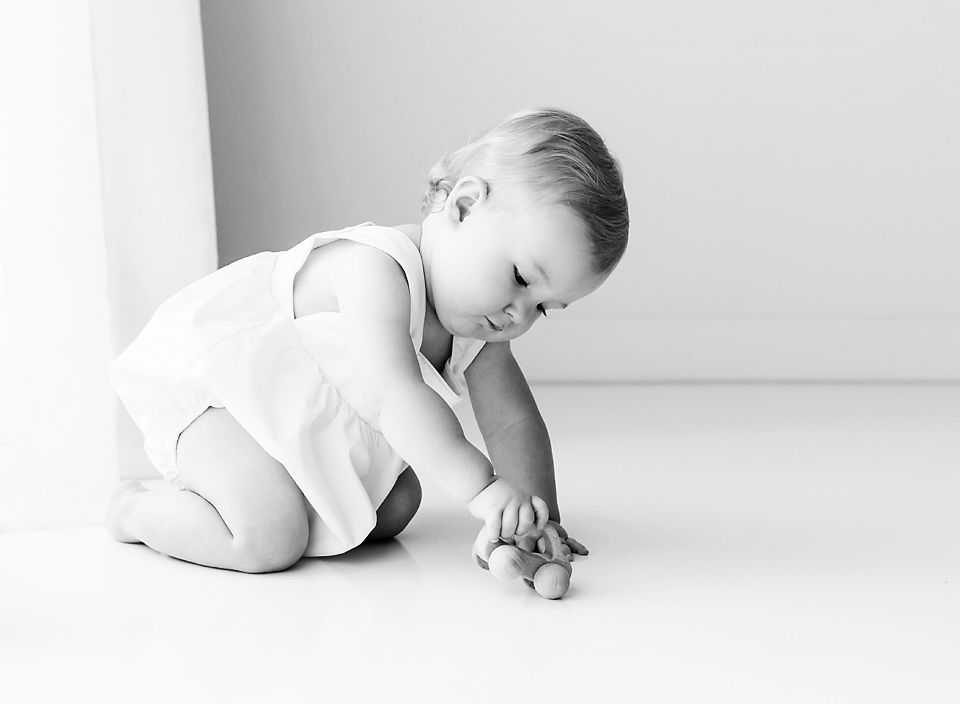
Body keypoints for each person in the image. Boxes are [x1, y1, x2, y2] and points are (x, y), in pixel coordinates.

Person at [105, 107, 629, 574]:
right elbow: (392, 397)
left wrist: (534, 517)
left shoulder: (480, 332)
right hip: (230, 407)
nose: (519, 314)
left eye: (543, 308)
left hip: (306, 430)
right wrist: (484, 490)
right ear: (464, 207)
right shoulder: (376, 268)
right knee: (270, 536)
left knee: (397, 504)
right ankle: (135, 511)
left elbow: (512, 422)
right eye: (520, 278)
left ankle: (277, 496)